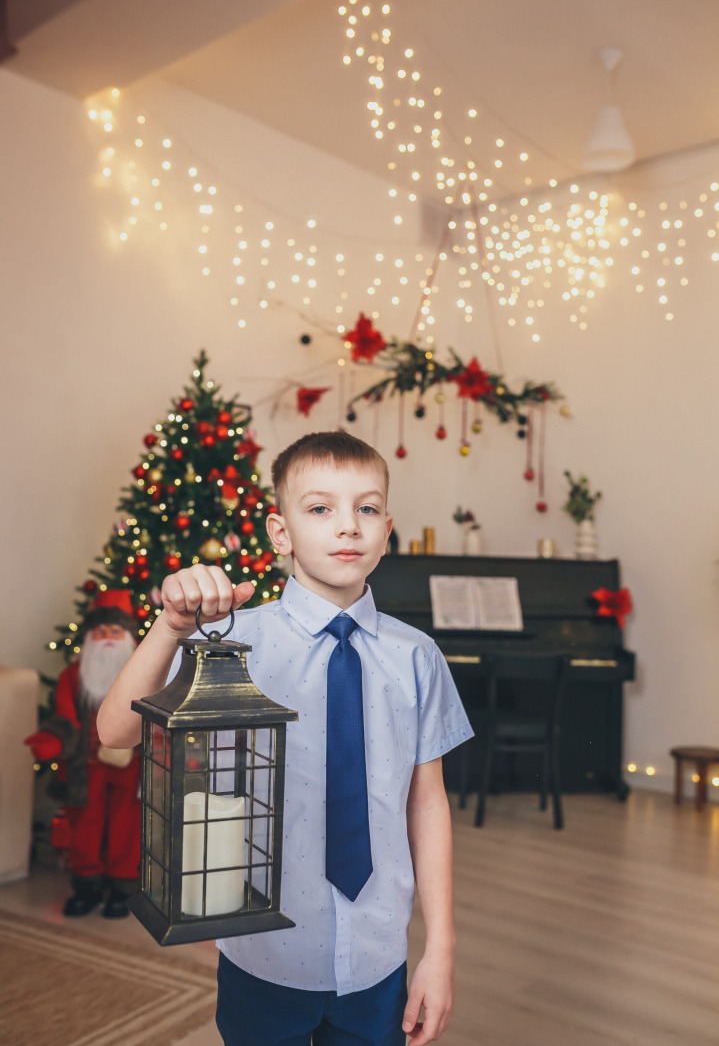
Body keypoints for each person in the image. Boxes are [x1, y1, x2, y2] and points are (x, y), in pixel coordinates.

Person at [98, 430, 473, 1045]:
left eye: (367, 509)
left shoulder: (418, 656)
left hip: (379, 956)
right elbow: (114, 729)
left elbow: (426, 802)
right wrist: (169, 626)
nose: (347, 527)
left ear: (386, 530)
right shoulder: (228, 641)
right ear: (281, 533)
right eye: (321, 508)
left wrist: (442, 948)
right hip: (264, 955)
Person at [26, 591, 140, 918]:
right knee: (84, 825)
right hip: (85, 765)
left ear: (128, 637)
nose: (107, 638)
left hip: (129, 762)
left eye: (114, 632)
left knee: (127, 824)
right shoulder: (72, 677)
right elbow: (65, 716)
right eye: (101, 632)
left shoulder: (140, 673)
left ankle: (123, 886)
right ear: (90, 637)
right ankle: (87, 884)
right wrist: (53, 740)